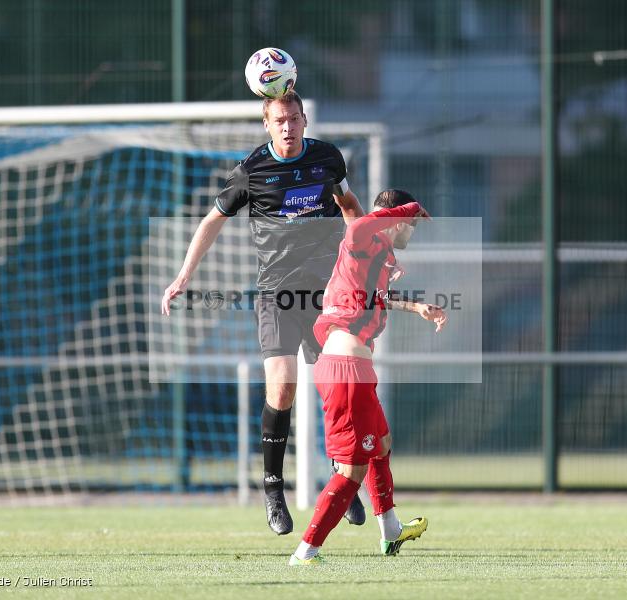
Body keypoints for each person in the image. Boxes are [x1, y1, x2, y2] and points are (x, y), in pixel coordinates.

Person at [161, 90, 368, 535]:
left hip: (326, 293)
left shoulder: (328, 159)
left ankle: (343, 479)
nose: (288, 127)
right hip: (277, 295)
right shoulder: (252, 170)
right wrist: (183, 275)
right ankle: (273, 488)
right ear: (267, 124)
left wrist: (371, 256)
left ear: (304, 120)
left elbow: (350, 207)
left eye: (294, 119)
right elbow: (212, 221)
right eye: (280, 120)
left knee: (339, 386)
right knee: (283, 385)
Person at [288, 189, 446, 565]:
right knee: (351, 470)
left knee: (382, 443)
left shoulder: (377, 256)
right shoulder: (362, 240)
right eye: (410, 224)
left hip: (356, 368)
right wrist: (410, 208)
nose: (412, 230)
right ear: (399, 220)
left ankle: (390, 531)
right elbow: (358, 226)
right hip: (344, 369)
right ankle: (305, 552)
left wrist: (415, 307)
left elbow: (372, 298)